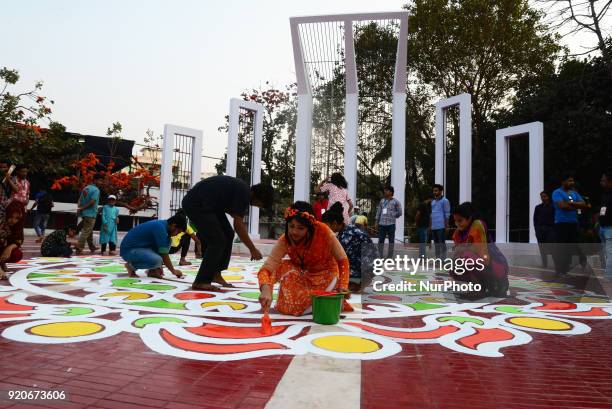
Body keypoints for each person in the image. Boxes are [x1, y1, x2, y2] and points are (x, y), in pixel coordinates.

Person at [182, 175, 274, 291]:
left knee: (228, 234)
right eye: (260, 204)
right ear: (259, 197)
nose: (257, 206)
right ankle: (201, 281)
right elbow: (239, 227)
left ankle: (216, 273)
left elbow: (231, 212)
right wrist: (252, 249)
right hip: (196, 205)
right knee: (217, 241)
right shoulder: (244, 194)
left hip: (209, 206)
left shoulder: (242, 190)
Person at [258, 201, 350, 316]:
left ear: (310, 227)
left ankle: (330, 297)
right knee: (280, 267)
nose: (294, 232)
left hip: (325, 274)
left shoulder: (324, 231)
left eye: (300, 228)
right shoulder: (285, 239)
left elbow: (342, 260)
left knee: (303, 305)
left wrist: (343, 286)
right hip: (303, 273)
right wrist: (265, 288)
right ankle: (267, 299)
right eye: (291, 226)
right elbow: (267, 267)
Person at [451, 202, 509, 299]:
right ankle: (481, 286)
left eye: (460, 221)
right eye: (455, 221)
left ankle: (481, 289)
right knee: (454, 265)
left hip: (495, 265)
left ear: (469, 218)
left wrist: (462, 249)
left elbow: (482, 254)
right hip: (482, 264)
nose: (457, 224)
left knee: (466, 257)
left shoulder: (477, 225)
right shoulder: (458, 233)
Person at [322, 202, 377, 292]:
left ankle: (357, 283)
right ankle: (355, 282)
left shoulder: (347, 236)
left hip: (367, 270)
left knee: (331, 276)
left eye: (326, 226)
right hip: (366, 266)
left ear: (335, 223)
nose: (325, 229)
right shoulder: (346, 231)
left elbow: (341, 260)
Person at [120, 213, 187, 279]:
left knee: (168, 241)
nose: (176, 234)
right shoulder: (159, 227)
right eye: (178, 231)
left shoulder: (163, 227)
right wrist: (173, 271)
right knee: (157, 260)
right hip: (128, 251)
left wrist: (158, 267)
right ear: (174, 225)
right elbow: (164, 253)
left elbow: (162, 249)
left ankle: (153, 270)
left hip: (140, 249)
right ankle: (131, 266)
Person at [551, 173, 590, 277]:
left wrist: (570, 203)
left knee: (569, 248)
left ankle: (565, 270)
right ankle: (559, 271)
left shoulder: (574, 193)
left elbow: (583, 204)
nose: (572, 183)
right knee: (560, 248)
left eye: (572, 181)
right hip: (561, 223)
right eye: (569, 181)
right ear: (563, 182)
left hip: (573, 223)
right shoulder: (557, 192)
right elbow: (562, 206)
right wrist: (576, 205)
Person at [75, 174, 104, 255]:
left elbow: (79, 200)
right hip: (91, 214)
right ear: (95, 180)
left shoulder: (86, 188)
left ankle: (92, 247)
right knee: (86, 231)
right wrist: (83, 208)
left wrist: (80, 209)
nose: (101, 182)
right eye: (100, 180)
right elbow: (93, 201)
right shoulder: (96, 190)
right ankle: (79, 247)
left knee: (89, 231)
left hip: (84, 214)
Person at [0, 201, 26, 279]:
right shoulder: (1, 219)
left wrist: (9, 248)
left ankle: (1, 262)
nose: (13, 221)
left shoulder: (18, 225)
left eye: (17, 218)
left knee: (17, 254)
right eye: (11, 217)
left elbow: (19, 240)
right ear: (7, 214)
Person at [375, 185, 403, 258]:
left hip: (391, 224)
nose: (385, 191)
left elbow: (400, 212)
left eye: (387, 190)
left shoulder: (396, 202)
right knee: (381, 241)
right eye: (385, 190)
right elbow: (379, 212)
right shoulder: (382, 201)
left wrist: (394, 215)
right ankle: (380, 256)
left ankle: (389, 257)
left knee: (391, 241)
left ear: (391, 192)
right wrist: (376, 222)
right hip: (382, 224)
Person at [533, 191, 555, 268]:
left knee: (551, 247)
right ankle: (544, 264)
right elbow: (535, 219)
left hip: (550, 229)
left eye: (545, 196)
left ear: (548, 197)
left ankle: (556, 264)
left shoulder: (553, 206)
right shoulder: (538, 207)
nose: (543, 198)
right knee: (542, 248)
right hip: (540, 229)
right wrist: (536, 229)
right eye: (542, 197)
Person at [430, 184, 451, 259]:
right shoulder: (433, 202)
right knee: (436, 245)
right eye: (433, 191)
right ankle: (438, 259)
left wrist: (447, 226)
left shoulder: (445, 201)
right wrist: (430, 226)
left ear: (441, 191)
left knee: (442, 244)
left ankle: (443, 259)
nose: (434, 192)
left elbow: (447, 214)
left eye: (436, 191)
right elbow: (431, 214)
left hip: (441, 226)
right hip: (434, 227)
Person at [599, 169, 612, 278]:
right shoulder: (605, 194)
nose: (601, 182)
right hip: (603, 227)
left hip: (610, 228)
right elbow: (603, 208)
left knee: (610, 252)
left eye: (604, 180)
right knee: (606, 252)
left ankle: (608, 275)